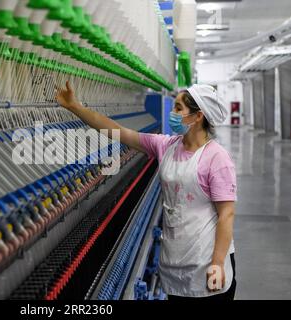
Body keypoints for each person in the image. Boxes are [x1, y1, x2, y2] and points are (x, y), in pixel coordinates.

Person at [55, 82, 237, 300]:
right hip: (175, 262)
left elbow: (226, 214)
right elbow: (119, 132)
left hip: (207, 263)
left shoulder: (217, 158)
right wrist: (75, 107)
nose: (173, 113)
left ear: (198, 117)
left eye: (178, 108)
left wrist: (217, 263)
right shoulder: (166, 146)